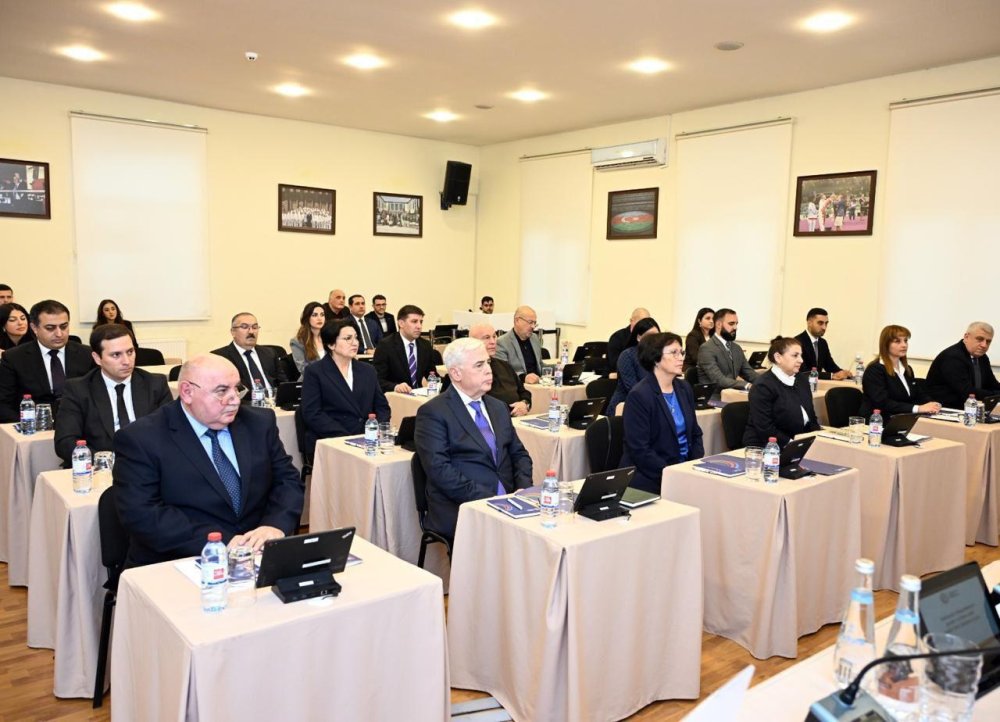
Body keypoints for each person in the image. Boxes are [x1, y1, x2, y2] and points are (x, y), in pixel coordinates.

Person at [113, 354, 304, 567]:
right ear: (187, 392)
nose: (235, 399)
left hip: (255, 555)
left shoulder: (258, 423)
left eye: (237, 388)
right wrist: (222, 542)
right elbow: (142, 514)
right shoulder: (142, 438)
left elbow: (287, 481)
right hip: (179, 559)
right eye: (222, 391)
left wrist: (274, 525)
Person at [414, 338, 533, 540]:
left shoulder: (498, 407)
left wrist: (522, 489)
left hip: (509, 501)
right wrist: (491, 499)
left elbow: (519, 454)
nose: (489, 370)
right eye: (479, 365)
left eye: (488, 363)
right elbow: (440, 471)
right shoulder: (433, 412)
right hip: (462, 505)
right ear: (456, 373)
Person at [53, 324, 172, 466]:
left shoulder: (155, 384)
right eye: (116, 355)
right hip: (100, 469)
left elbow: (171, 432)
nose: (126, 361)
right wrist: (107, 462)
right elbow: (65, 442)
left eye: (130, 352)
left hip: (148, 465)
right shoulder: (79, 389)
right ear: (97, 358)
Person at [621, 332, 704, 493]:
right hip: (650, 476)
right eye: (674, 353)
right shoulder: (640, 395)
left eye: (681, 352)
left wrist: (691, 467)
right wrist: (672, 474)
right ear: (655, 359)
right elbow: (640, 450)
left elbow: (695, 434)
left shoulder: (684, 388)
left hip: (683, 471)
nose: (681, 358)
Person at [301, 320, 390, 459]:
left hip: (367, 439)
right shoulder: (315, 372)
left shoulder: (368, 370)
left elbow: (382, 407)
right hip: (332, 440)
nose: (355, 343)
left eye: (356, 338)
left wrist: (375, 429)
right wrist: (346, 437)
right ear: (331, 344)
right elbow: (312, 413)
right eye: (348, 338)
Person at [0, 299, 95, 422]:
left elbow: (99, 395)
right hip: (33, 426)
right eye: (50, 328)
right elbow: (3, 403)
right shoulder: (14, 358)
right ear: (34, 328)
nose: (59, 334)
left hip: (81, 423)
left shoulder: (87, 354)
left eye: (64, 326)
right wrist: (26, 425)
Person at [743, 336, 820, 448]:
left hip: (798, 441)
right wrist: (793, 445)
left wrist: (818, 438)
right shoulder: (763, 386)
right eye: (795, 355)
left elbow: (811, 418)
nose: (801, 360)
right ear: (778, 358)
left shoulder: (802, 380)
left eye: (801, 355)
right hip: (768, 446)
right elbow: (765, 428)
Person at [860, 325, 941, 422]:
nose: (904, 345)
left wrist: (933, 404)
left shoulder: (907, 369)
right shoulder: (875, 370)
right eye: (897, 341)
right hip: (878, 422)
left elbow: (918, 394)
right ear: (886, 344)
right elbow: (882, 402)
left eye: (905, 341)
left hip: (903, 419)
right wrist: (918, 408)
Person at [212, 312, 286, 400]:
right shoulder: (220, 358)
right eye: (244, 327)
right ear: (233, 332)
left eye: (255, 327)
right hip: (244, 404)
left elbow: (284, 384)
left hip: (275, 403)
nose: (251, 331)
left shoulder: (269, 353)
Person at [925, 322, 1000, 409]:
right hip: (944, 408)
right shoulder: (952, 357)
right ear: (966, 337)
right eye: (980, 339)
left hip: (968, 407)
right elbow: (967, 391)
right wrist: (995, 395)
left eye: (988, 341)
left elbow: (992, 383)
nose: (984, 345)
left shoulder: (982, 357)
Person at [468, 322, 531, 416]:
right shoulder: (467, 370)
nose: (493, 342)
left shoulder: (504, 365)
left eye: (494, 336)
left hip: (516, 418)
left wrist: (524, 403)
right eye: (487, 338)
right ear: (472, 342)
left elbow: (523, 392)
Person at [372, 304, 439, 393]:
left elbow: (431, 374)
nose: (419, 326)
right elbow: (377, 379)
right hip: (395, 395)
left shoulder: (425, 345)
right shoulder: (386, 345)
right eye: (414, 321)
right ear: (401, 323)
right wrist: (395, 386)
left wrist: (443, 382)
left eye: (421, 322)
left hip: (418, 395)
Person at [697, 308, 759, 392]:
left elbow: (749, 373)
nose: (735, 327)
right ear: (718, 324)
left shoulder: (736, 348)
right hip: (715, 395)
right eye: (731, 324)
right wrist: (747, 385)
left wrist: (767, 382)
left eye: (736, 324)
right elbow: (719, 380)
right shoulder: (706, 348)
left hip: (732, 393)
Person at [608, 317, 659, 415]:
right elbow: (633, 388)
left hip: (652, 404)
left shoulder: (659, 356)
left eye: (657, 336)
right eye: (649, 336)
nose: (654, 340)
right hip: (625, 406)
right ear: (638, 337)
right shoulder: (627, 355)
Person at [795, 307, 852, 380]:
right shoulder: (797, 342)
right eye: (820, 323)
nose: (824, 327)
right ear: (809, 323)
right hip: (801, 384)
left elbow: (830, 366)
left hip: (818, 384)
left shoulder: (823, 343)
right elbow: (803, 372)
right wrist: (831, 376)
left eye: (826, 323)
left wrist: (843, 373)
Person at [495, 305, 543, 383]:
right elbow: (503, 372)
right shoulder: (502, 342)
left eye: (535, 323)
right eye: (530, 322)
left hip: (539, 384)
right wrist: (523, 377)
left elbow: (540, 365)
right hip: (518, 386)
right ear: (517, 320)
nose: (533, 326)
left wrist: (559, 368)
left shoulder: (534, 338)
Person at [607, 307, 651, 372]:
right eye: (641, 322)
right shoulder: (617, 338)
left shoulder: (650, 338)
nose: (644, 325)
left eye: (647, 322)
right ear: (631, 321)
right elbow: (615, 364)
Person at [290, 301, 326, 374]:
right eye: (314, 315)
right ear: (307, 318)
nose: (319, 318)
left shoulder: (330, 337)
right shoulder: (297, 342)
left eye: (322, 315)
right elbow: (303, 368)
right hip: (311, 379)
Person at [683, 307, 714, 372]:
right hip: (692, 370)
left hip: (710, 370)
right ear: (699, 321)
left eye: (713, 319)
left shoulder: (714, 337)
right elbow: (696, 358)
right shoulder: (693, 336)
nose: (711, 321)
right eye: (708, 318)